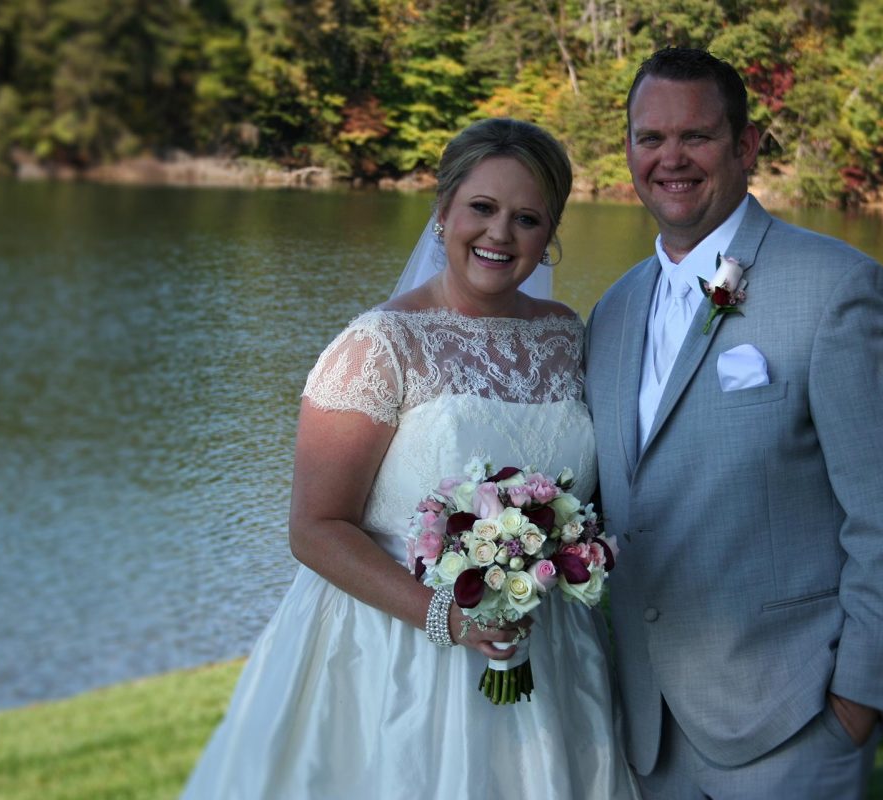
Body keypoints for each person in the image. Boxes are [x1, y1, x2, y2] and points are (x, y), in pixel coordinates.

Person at [183, 118, 638, 799]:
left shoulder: (564, 337)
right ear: (443, 211)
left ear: (551, 235)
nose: (499, 235)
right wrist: (448, 617)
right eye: (481, 208)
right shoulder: (379, 347)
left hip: (553, 655)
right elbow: (315, 527)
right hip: (393, 655)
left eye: (527, 218)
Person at [584, 48, 883, 798]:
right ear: (627, 150)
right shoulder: (613, 312)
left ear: (745, 146)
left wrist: (858, 701)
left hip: (792, 727)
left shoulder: (836, 288)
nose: (670, 159)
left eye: (696, 137)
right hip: (643, 735)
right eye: (649, 138)